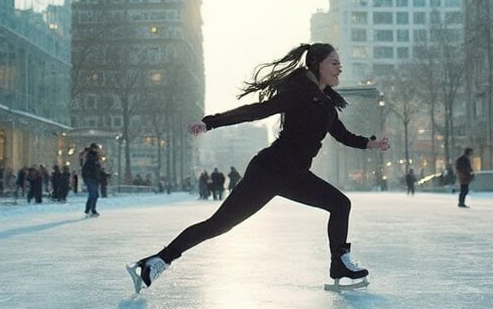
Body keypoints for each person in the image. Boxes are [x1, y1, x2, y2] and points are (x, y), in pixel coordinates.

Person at [127, 42, 389, 292]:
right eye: (334, 63)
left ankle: (338, 264)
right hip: (269, 171)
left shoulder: (327, 104)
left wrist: (371, 144)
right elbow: (257, 111)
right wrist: (211, 123)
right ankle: (155, 263)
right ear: (318, 65)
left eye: (339, 64)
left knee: (340, 204)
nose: (339, 68)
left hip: (295, 175)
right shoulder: (300, 93)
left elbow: (342, 135)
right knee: (218, 225)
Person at [81, 143, 102, 216]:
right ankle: (90, 209)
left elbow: (97, 169)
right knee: (93, 193)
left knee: (94, 194)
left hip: (94, 178)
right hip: (90, 177)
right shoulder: (90, 156)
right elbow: (91, 167)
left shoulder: (95, 157)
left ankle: (90, 209)